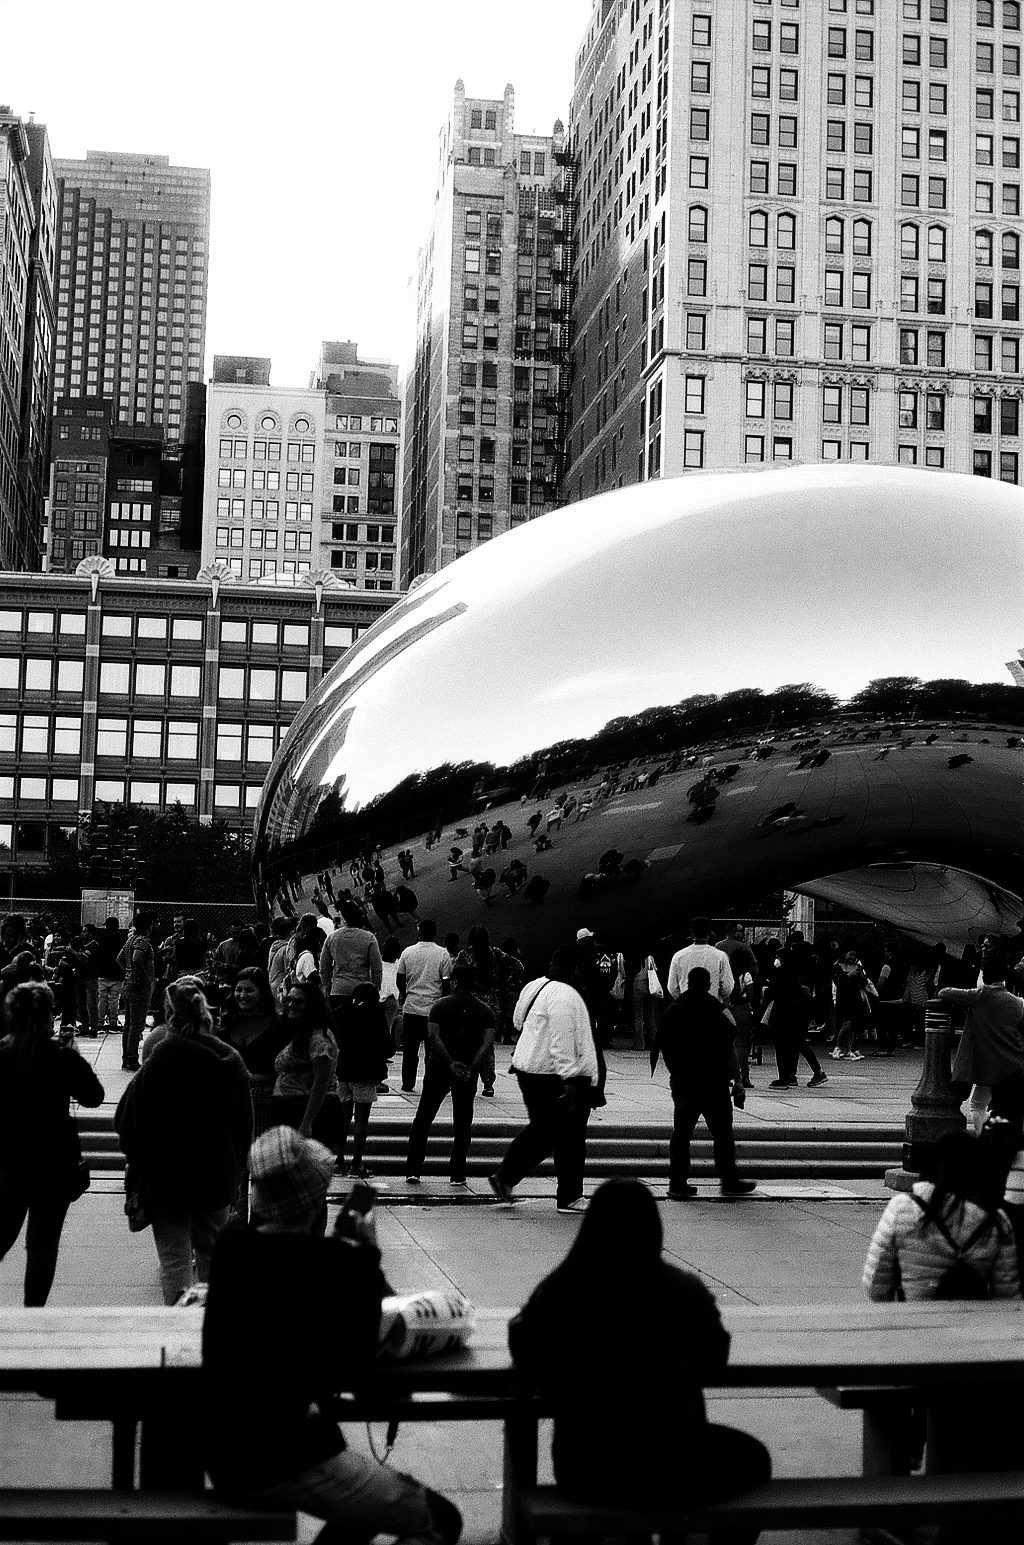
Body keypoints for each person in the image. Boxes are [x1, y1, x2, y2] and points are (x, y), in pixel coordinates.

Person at [201, 1126, 462, 1545]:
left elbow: (294, 1268)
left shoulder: (234, 1246)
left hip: (228, 1452)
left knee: (364, 1507)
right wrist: (366, 1257)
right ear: (313, 1203)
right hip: (282, 1459)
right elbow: (359, 1356)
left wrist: (349, 1259)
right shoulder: (339, 1265)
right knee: (441, 1520)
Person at [508, 1178, 771, 1528]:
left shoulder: (559, 1292)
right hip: (674, 1466)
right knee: (753, 1457)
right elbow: (714, 1362)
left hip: (586, 1468)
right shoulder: (684, 1291)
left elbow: (525, 1352)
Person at [115, 978, 252, 1305]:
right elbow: (244, 1125)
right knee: (212, 1255)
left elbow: (125, 1119)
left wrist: (141, 1159)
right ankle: (208, 1326)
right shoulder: (229, 1060)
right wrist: (236, 1169)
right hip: (216, 1175)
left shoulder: (161, 1056)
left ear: (169, 1012)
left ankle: (176, 1322)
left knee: (174, 1259)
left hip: (166, 1177)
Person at [0, 982, 104, 1305]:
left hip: (8, 1161)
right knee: (43, 1244)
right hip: (53, 1164)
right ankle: (34, 1313)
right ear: (50, 1015)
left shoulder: (2, 1054)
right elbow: (93, 1097)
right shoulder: (60, 1057)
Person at [489, 946, 599, 1214]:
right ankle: (569, 1196)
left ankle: (507, 1177)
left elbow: (517, 1021)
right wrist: (571, 1080)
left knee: (546, 1131)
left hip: (529, 1070)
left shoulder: (535, 986)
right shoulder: (566, 996)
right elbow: (562, 1041)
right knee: (568, 1137)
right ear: (575, 969)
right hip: (555, 1075)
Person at [863, 1130, 1019, 1301]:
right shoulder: (995, 1219)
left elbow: (876, 1282)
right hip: (973, 1323)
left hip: (915, 1318)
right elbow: (1007, 1292)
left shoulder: (902, 1207)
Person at [651, 967, 756, 1199]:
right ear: (709, 984)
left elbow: (662, 1045)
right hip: (714, 1081)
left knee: (681, 1134)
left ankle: (677, 1182)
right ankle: (729, 1179)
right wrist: (737, 1081)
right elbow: (730, 1045)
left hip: (684, 1082)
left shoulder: (673, 1009)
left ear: (688, 983)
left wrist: (675, 1073)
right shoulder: (718, 1009)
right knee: (722, 1133)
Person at [405, 963, 496, 1187]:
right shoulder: (485, 1011)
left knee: (424, 1118)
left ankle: (414, 1168)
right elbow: (487, 1043)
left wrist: (450, 1062)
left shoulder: (440, 1006)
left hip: (439, 1066)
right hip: (467, 1070)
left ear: (454, 982)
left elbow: (433, 1036)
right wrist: (470, 1065)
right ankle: (457, 1172)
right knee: (463, 1122)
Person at [942, 957, 1024, 1133]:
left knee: (977, 1105)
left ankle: (986, 1139)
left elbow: (944, 992)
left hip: (988, 1065)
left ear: (984, 976)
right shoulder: (1018, 1003)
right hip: (1013, 1064)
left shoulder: (980, 996)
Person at [272, 980, 345, 1170]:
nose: (290, 1005)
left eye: (298, 1002)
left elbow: (321, 1081)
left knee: (308, 1176)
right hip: (289, 1107)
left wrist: (307, 1123)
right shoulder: (298, 1033)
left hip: (308, 1110)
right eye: (288, 1000)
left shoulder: (319, 1039)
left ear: (312, 1006)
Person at [218, 968, 290, 1143]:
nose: (242, 995)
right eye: (239, 990)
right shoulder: (226, 1024)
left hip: (266, 1098)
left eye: (249, 990)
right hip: (229, 1097)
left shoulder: (278, 1023)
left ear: (262, 992)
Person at [332, 983, 392, 1178]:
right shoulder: (375, 1013)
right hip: (365, 1072)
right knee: (361, 1119)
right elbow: (388, 1046)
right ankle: (356, 1164)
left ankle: (338, 1160)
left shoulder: (341, 1012)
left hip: (343, 1071)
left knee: (342, 1117)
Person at [453, 927, 512, 1097]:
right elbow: (519, 967)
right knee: (487, 1046)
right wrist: (503, 984)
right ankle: (488, 1084)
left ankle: (463, 1077)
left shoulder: (465, 955)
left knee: (465, 1042)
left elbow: (455, 974)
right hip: (491, 1003)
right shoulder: (497, 954)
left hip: (470, 1002)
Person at [397, 920, 453, 1092]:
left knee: (410, 1051)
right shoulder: (443, 954)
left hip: (412, 1008)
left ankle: (408, 1083)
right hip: (433, 1010)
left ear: (419, 932)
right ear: (435, 933)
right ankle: (431, 1082)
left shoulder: (408, 952)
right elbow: (446, 983)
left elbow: (400, 979)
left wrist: (407, 994)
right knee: (432, 1051)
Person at [765, 936, 826, 1090]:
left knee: (785, 1044)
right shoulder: (804, 970)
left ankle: (786, 1076)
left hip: (786, 1011)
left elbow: (774, 992)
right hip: (801, 1011)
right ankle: (792, 1074)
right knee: (797, 1043)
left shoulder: (785, 972)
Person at [667, 916, 734, 1002]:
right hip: (711, 1008)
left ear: (691, 933)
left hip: (687, 1007)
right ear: (710, 933)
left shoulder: (678, 956)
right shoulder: (720, 956)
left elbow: (672, 987)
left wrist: (683, 998)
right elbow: (727, 988)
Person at [121, 910, 156, 1071]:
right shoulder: (143, 941)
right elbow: (137, 958)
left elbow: (119, 959)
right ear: (149, 925)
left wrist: (128, 972)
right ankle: (132, 1059)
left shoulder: (130, 940)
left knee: (128, 1024)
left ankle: (125, 1058)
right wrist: (144, 977)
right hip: (139, 987)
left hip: (128, 984)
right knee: (136, 1025)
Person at [831, 950, 871, 1061]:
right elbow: (838, 982)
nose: (852, 957)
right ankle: (838, 1047)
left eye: (854, 954)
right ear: (844, 954)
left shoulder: (857, 966)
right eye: (850, 954)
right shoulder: (838, 966)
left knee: (853, 1025)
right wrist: (850, 974)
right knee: (846, 1024)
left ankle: (848, 1050)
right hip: (843, 999)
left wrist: (860, 974)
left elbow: (864, 983)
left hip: (855, 998)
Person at [93, 916, 125, 1035]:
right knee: (114, 999)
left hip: (103, 972)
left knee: (102, 999)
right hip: (117, 973)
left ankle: (100, 1022)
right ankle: (113, 1022)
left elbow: (99, 956)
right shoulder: (122, 939)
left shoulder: (102, 939)